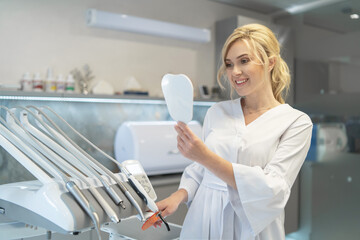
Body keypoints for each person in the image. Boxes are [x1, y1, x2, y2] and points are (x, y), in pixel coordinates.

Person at [155, 23, 313, 240]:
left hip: (252, 228)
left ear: (270, 63)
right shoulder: (217, 112)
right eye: (229, 64)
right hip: (203, 221)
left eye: (244, 61)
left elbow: (273, 188)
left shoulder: (295, 122)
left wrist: (205, 156)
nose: (234, 72)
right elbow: (199, 170)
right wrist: (178, 196)